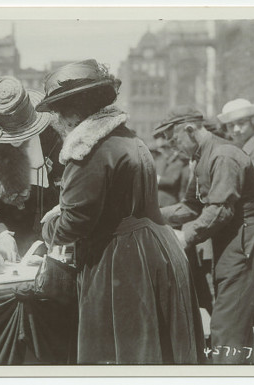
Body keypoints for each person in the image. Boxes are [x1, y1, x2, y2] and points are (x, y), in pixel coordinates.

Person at [37, 59, 205, 364]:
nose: (54, 120)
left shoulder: (86, 148)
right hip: (158, 249)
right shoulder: (128, 138)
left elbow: (73, 224)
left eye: (56, 111)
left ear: (74, 112)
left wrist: (49, 225)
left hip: (124, 262)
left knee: (125, 355)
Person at [156, 106, 254, 364]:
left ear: (190, 130)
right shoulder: (201, 156)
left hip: (243, 236)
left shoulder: (223, 155)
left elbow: (221, 210)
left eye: (175, 141)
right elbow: (192, 206)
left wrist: (184, 236)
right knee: (234, 322)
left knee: (226, 325)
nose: (174, 150)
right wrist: (152, 214)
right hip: (229, 237)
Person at [0, 76, 63, 261]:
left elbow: (62, 188)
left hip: (43, 234)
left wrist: (45, 239)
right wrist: (3, 235)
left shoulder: (52, 138)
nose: (16, 139)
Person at [218, 98, 254, 363]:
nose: (237, 130)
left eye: (242, 123)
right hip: (245, 231)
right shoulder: (233, 150)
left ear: (253, 122)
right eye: (231, 125)